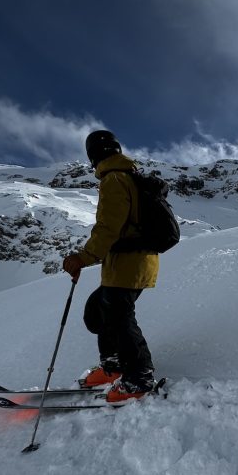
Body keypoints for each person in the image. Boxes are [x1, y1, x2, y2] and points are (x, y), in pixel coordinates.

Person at [62, 129, 159, 403]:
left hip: (130, 261)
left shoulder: (115, 179)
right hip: (132, 261)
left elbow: (109, 228)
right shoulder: (127, 176)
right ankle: (115, 365)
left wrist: (83, 257)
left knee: (119, 315)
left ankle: (139, 376)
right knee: (100, 309)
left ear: (92, 156)